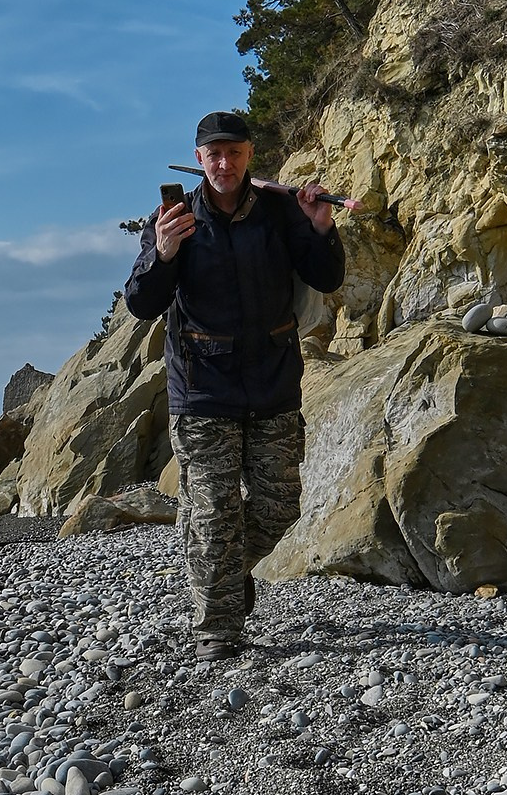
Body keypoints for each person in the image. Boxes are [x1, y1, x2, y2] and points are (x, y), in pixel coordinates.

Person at [123, 110, 344, 660]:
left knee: (279, 508)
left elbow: (327, 276)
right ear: (199, 160)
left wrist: (320, 226)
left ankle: (220, 569)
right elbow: (141, 303)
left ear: (250, 155)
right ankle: (217, 625)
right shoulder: (174, 218)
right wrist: (165, 253)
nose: (225, 164)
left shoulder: (278, 211)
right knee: (214, 510)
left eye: (235, 153)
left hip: (273, 381)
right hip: (202, 387)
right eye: (214, 155)